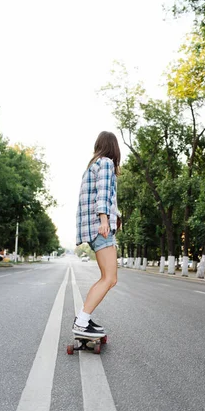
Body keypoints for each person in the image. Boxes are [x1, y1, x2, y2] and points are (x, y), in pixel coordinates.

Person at [73, 131, 121, 338]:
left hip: (91, 228)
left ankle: (84, 319)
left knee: (107, 277)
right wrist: (104, 220)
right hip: (100, 227)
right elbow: (103, 194)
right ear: (114, 147)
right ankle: (82, 321)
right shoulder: (106, 164)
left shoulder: (91, 166)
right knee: (110, 278)